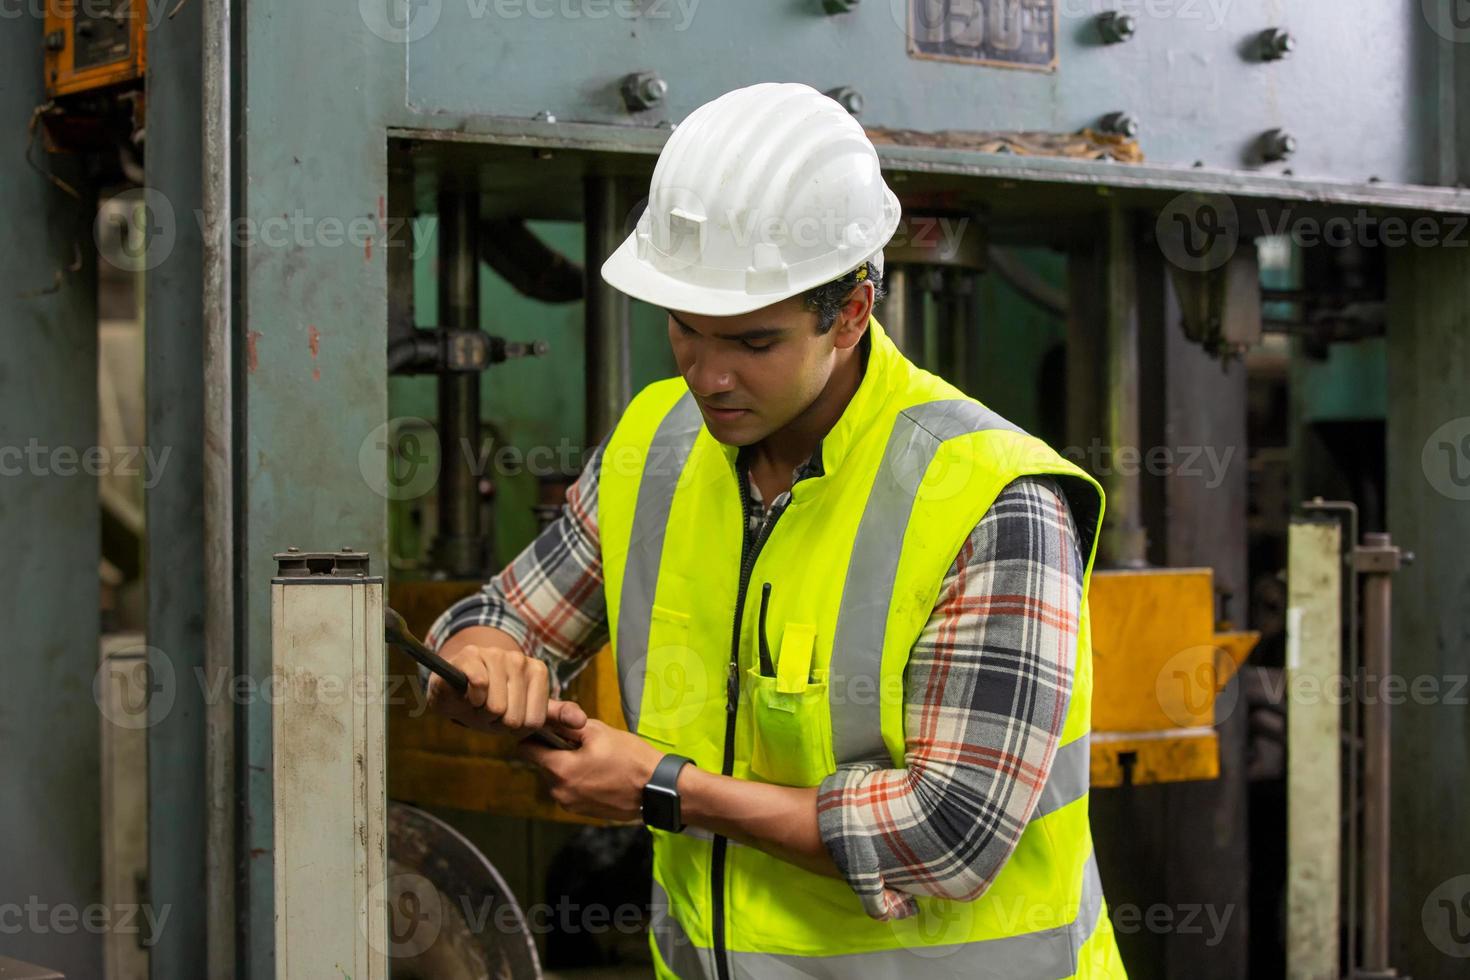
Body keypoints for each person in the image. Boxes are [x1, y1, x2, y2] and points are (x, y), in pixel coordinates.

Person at [426, 81, 1126, 979]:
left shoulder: (990, 498)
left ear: (851, 313)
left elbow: (952, 836)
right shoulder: (655, 445)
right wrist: (483, 661)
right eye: (684, 329)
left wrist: (666, 791)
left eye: (752, 344)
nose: (708, 376)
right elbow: (502, 618)